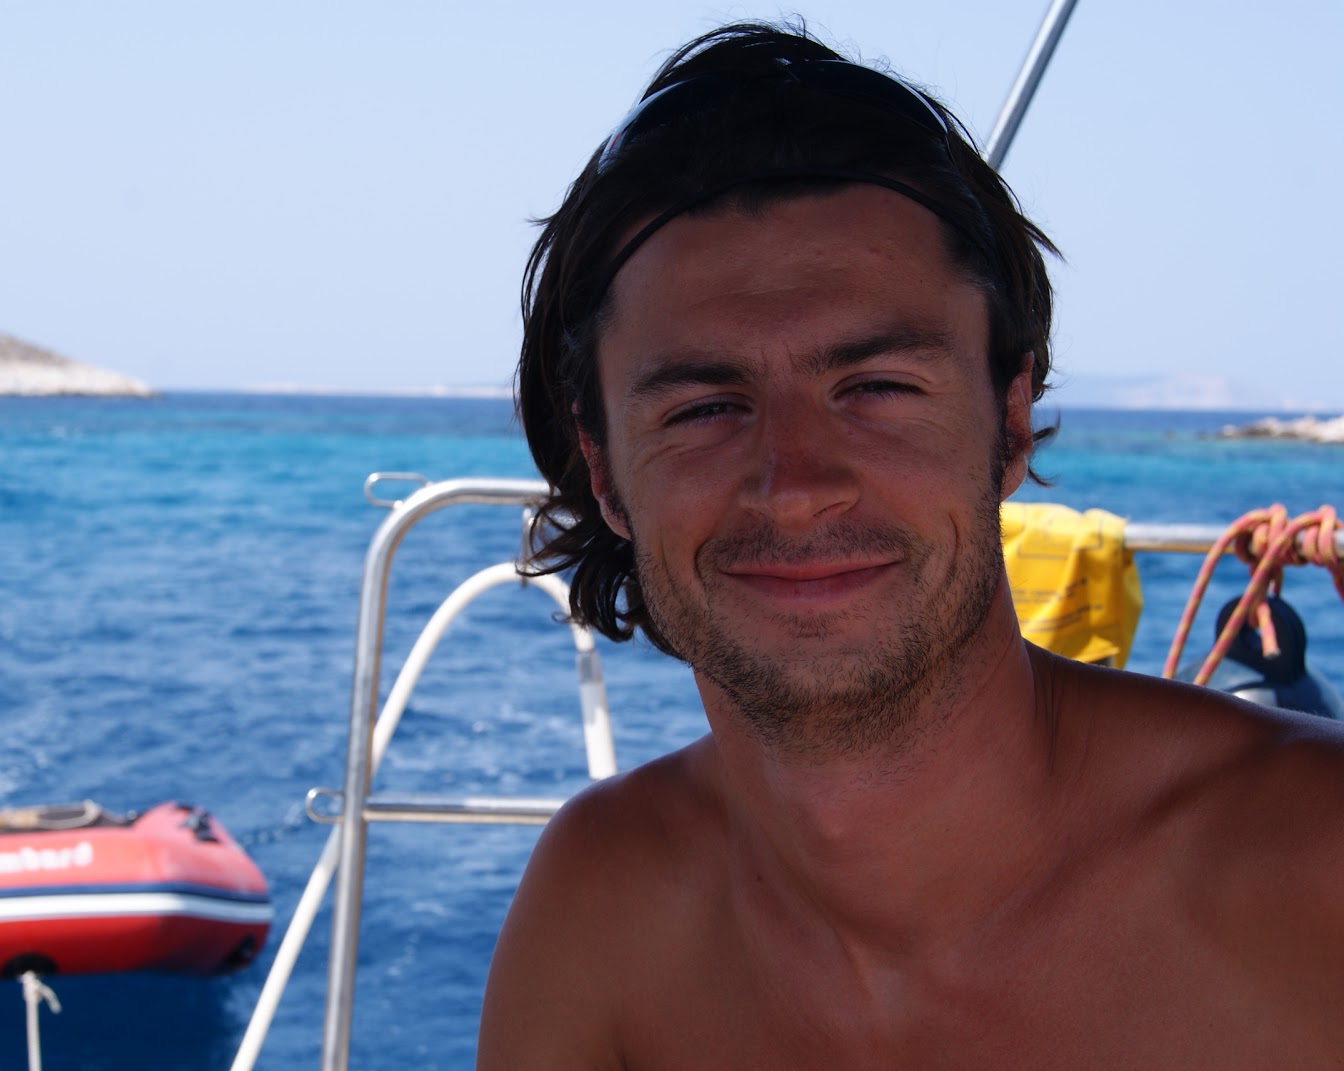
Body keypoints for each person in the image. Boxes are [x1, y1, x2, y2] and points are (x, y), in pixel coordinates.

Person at [477, 20, 1344, 1069]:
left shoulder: (1313, 871)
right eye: (705, 408)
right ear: (606, 468)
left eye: (877, 388)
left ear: (1010, 422)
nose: (795, 487)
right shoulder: (601, 914)